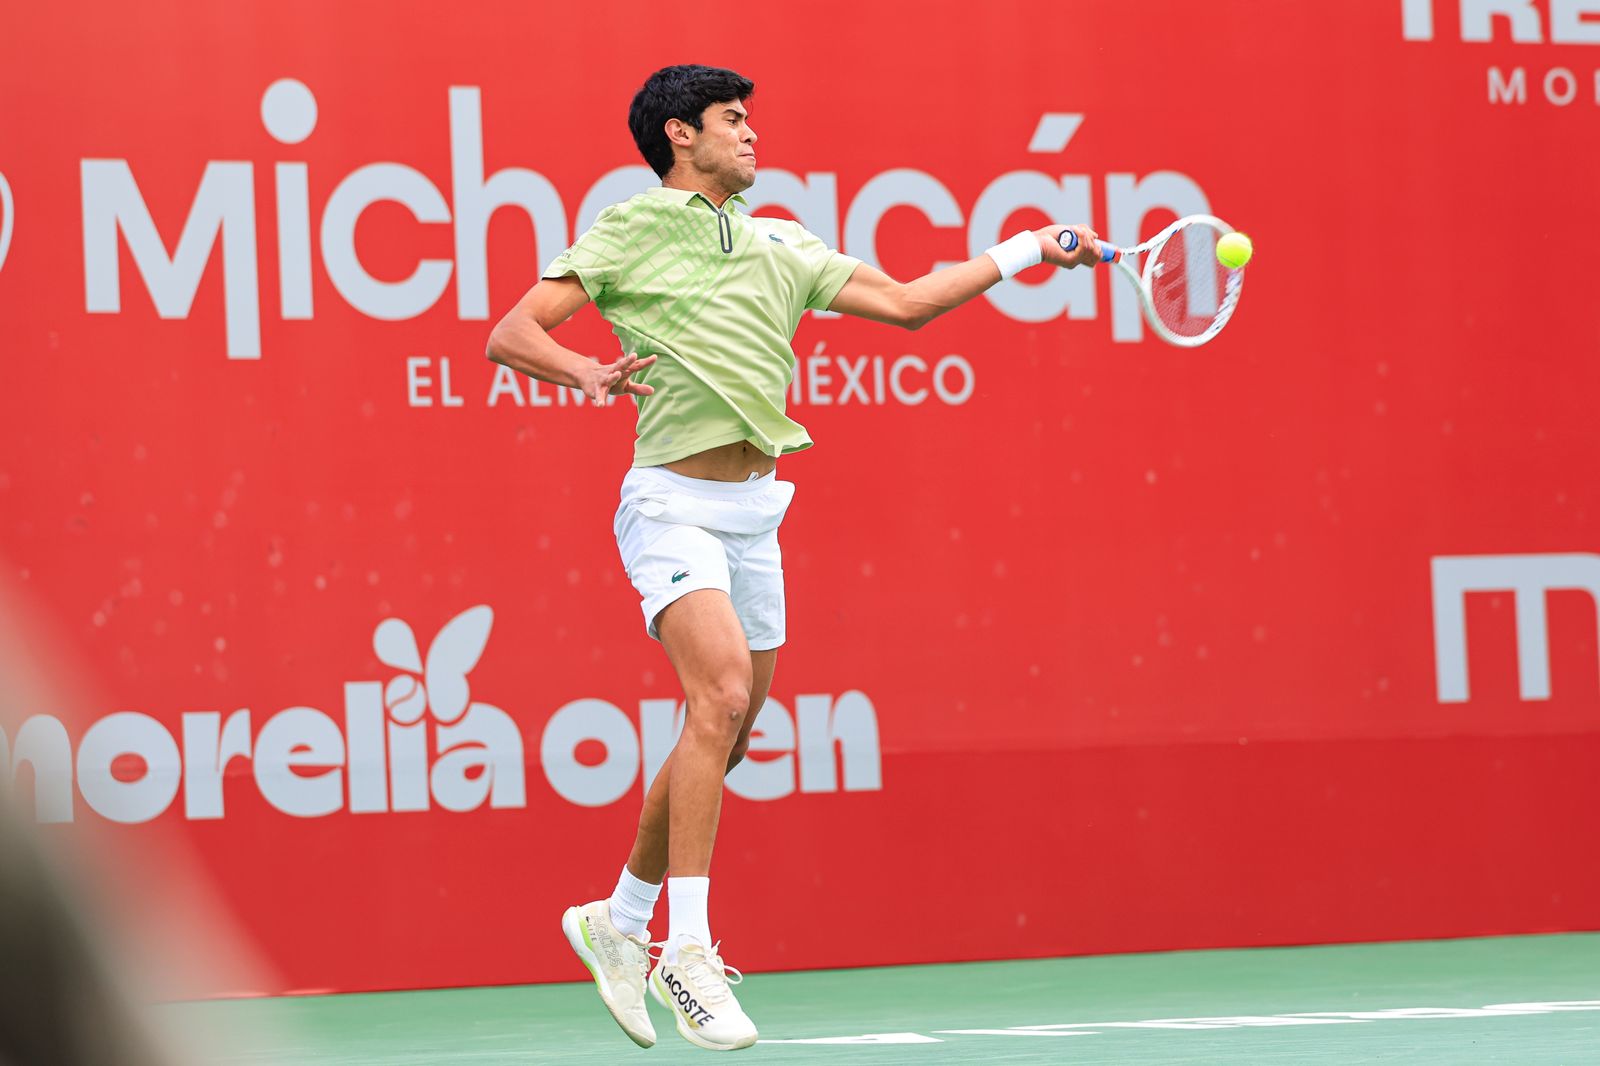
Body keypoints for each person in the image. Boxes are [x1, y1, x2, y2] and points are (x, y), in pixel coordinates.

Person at [486, 63, 1100, 1052]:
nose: (751, 135)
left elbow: (908, 302)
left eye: (750, 120)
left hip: (754, 511)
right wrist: (586, 370)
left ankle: (620, 921)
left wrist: (1028, 246)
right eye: (733, 121)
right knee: (718, 695)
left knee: (722, 734)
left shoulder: (782, 243)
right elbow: (511, 332)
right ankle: (684, 950)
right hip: (670, 505)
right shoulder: (630, 226)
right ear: (680, 135)